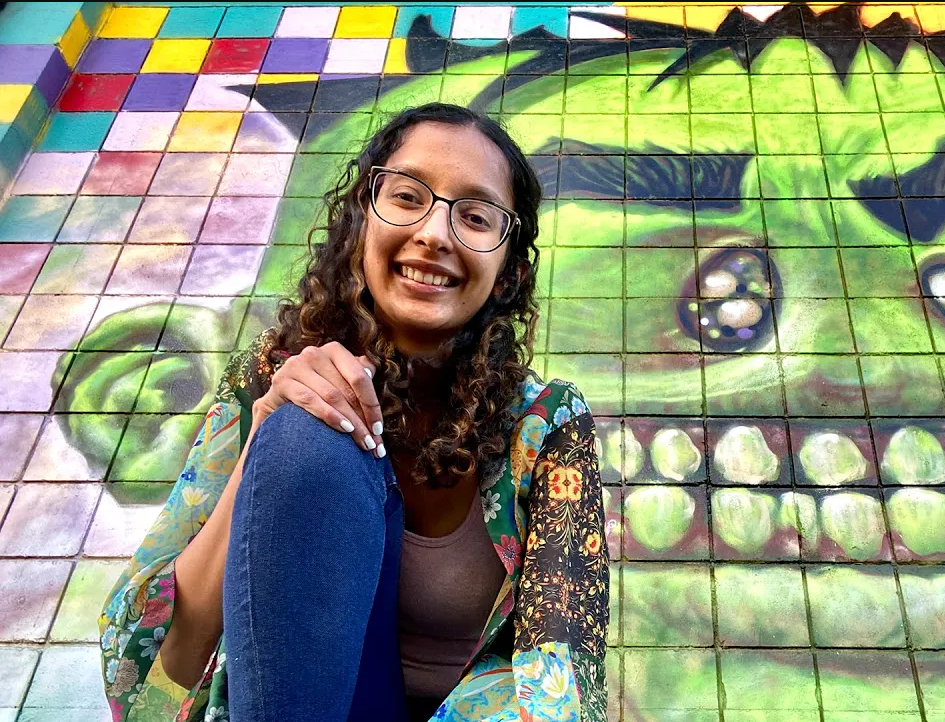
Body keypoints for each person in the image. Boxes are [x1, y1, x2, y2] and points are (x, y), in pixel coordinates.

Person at [98, 103, 609, 722]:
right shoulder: (271, 375)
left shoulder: (546, 425)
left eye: (475, 217)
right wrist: (265, 443)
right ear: (361, 222)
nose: (435, 234)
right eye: (407, 197)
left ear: (507, 275)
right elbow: (146, 674)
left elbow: (561, 682)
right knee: (304, 433)